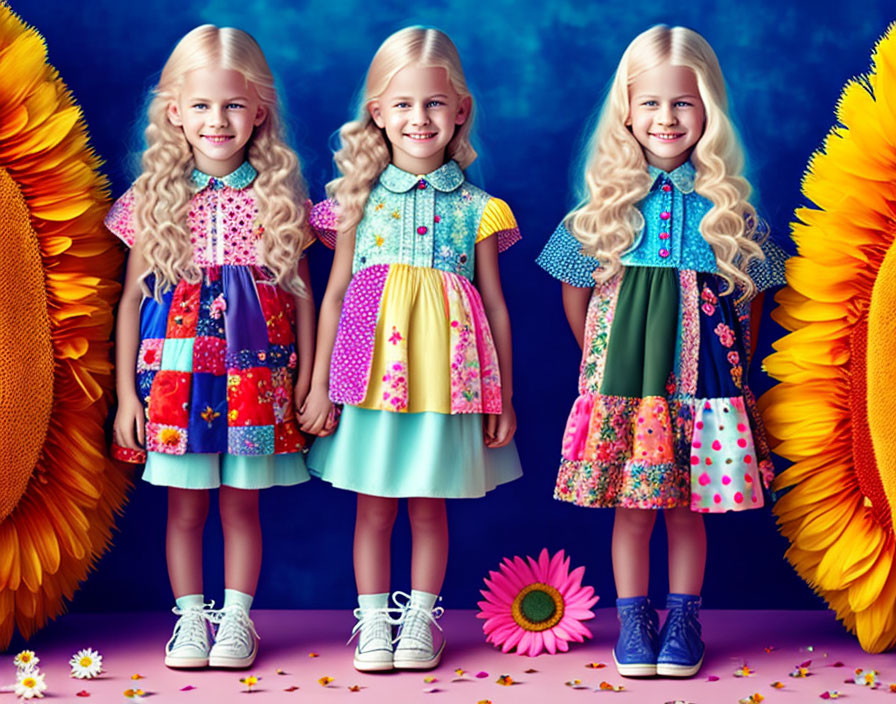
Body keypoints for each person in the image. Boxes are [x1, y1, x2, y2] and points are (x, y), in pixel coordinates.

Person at [536, 25, 785, 678]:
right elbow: (573, 291)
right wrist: (599, 357)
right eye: (650, 102)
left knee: (685, 507)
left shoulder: (730, 212)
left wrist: (732, 364)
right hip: (627, 376)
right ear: (626, 109)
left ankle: (684, 616)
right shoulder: (605, 210)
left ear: (709, 110)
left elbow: (758, 295)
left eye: (683, 102)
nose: (666, 117)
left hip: (703, 377)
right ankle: (634, 617)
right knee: (634, 505)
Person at [302, 26, 522, 672]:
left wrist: (502, 395)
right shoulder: (354, 203)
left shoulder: (479, 208)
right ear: (376, 112)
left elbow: (496, 306)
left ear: (460, 111)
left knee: (429, 509)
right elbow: (336, 293)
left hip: (445, 382)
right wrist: (319, 385)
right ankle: (373, 624)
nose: (419, 119)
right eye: (402, 104)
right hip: (370, 377)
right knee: (373, 509)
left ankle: (421, 621)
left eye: (434, 104)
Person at [107, 24, 315, 669]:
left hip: (257, 380)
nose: (217, 120)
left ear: (258, 112)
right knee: (185, 506)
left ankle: (235, 621)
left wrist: (309, 381)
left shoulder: (280, 197)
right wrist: (124, 399)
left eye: (232, 105)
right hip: (173, 380)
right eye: (201, 105)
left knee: (241, 505)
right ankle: (190, 620)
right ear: (175, 112)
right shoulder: (152, 200)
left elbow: (304, 297)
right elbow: (130, 303)